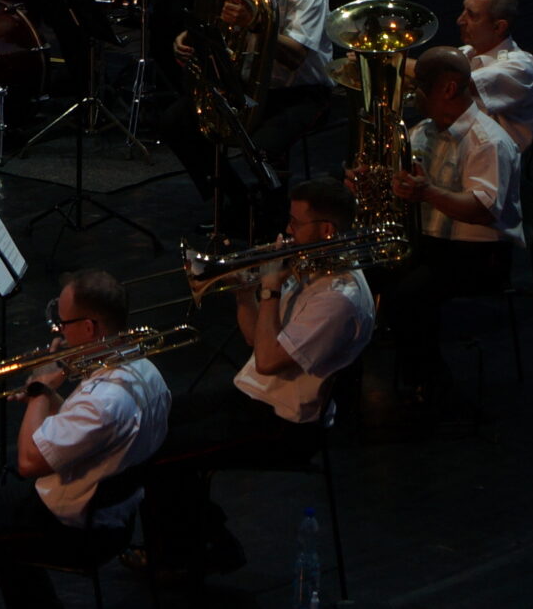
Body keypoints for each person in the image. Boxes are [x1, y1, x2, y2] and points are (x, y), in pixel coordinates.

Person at [139, 179, 374, 580]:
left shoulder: (338, 298)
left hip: (285, 424)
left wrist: (269, 291)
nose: (287, 232)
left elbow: (266, 360)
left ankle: (187, 553)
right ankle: (202, 542)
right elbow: (256, 339)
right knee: (151, 418)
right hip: (255, 396)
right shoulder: (313, 267)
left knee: (162, 449)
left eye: (297, 223)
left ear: (327, 230)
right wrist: (244, 294)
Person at [0, 269, 172, 609]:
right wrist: (50, 400)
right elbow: (92, 436)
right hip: (116, 514)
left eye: (65, 323)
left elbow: (27, 463)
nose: (59, 332)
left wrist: (41, 390)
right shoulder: (145, 371)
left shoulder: (103, 400)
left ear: (89, 328)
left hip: (76, 528)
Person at [366, 47, 521, 403]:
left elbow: (483, 211)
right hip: (434, 244)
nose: (410, 93)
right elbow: (408, 184)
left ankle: (432, 381)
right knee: (365, 272)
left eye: (417, 86)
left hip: (480, 255)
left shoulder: (488, 142)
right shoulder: (424, 132)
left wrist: (427, 193)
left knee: (408, 295)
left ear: (448, 89)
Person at [165, 0, 332, 244]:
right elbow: (214, 27)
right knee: (177, 121)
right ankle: (237, 204)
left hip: (300, 93)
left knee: (263, 146)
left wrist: (257, 23)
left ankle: (272, 220)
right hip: (245, 85)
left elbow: (296, 55)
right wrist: (190, 37)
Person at [438, 0, 533, 151]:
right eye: (463, 10)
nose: (460, 20)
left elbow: (452, 84)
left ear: (498, 27)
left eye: (471, 15)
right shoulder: (466, 53)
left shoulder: (520, 67)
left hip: (494, 164)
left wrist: (393, 60)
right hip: (459, 152)